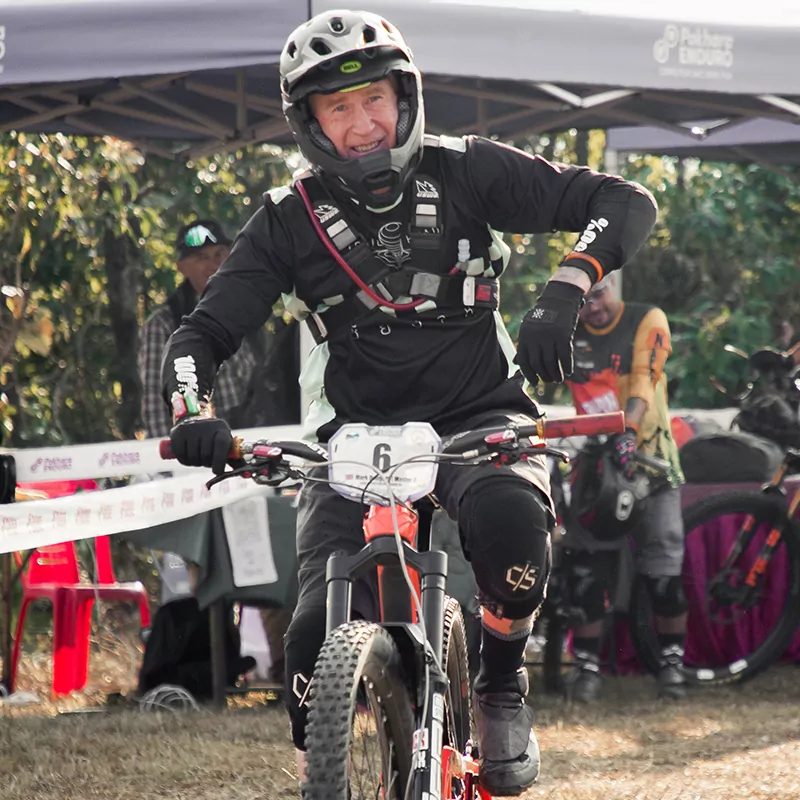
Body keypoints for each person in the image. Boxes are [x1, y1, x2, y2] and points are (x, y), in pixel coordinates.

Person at [160, 10, 657, 796]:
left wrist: (567, 285)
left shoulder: (468, 169)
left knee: (514, 536)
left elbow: (624, 202)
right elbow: (200, 336)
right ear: (310, 122)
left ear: (406, 93)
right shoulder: (286, 218)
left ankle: (498, 682)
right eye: (338, 107)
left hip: (481, 415)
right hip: (353, 437)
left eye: (375, 98)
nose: (363, 124)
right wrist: (193, 414)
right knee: (305, 648)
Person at [563, 272, 688, 702]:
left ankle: (671, 665)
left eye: (597, 294)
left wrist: (628, 430)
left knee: (663, 570)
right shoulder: (567, 327)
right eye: (581, 300)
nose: (591, 306)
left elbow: (643, 378)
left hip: (650, 461)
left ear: (614, 283)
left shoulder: (647, 319)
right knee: (587, 570)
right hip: (596, 468)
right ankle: (586, 670)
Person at [139, 219, 262, 439]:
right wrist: (173, 463)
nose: (214, 265)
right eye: (202, 258)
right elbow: (156, 405)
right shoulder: (163, 324)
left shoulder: (250, 309)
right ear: (182, 267)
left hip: (250, 444)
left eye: (219, 254)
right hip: (198, 450)